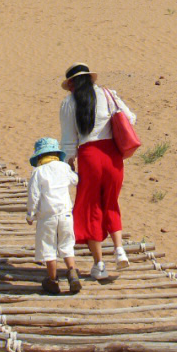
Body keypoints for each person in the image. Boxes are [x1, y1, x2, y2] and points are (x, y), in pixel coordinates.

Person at [59, 62, 136, 282]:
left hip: (89, 156)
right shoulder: (108, 94)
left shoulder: (69, 102)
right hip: (112, 156)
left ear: (72, 83)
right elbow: (130, 118)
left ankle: (99, 263)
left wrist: (69, 163)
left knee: (90, 207)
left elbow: (68, 140)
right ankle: (119, 249)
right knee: (111, 202)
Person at [26, 137, 82, 295]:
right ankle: (72, 272)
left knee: (48, 247)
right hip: (65, 214)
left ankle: (53, 279)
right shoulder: (63, 168)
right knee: (67, 244)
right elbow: (75, 180)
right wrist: (71, 168)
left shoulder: (38, 172)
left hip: (47, 217)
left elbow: (33, 195)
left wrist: (30, 214)